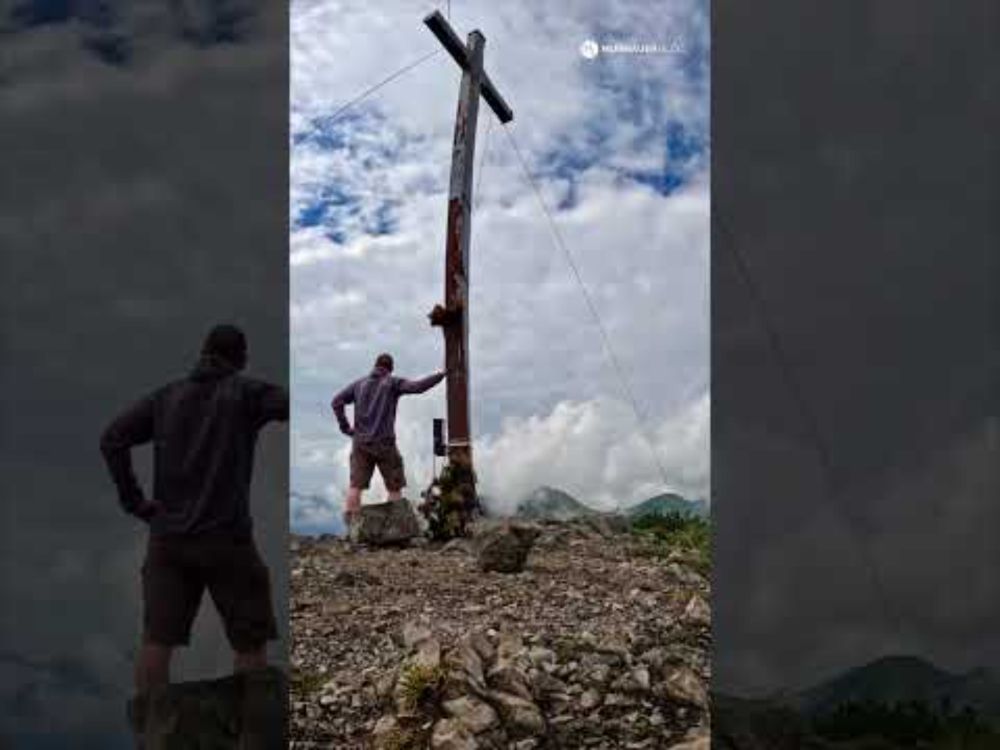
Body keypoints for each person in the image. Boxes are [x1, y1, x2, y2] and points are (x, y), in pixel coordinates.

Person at [99, 324, 288, 698]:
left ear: (203, 353)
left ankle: (153, 735)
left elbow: (112, 439)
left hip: (167, 541)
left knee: (157, 643)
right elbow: (292, 403)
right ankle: (249, 731)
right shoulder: (247, 393)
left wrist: (134, 502)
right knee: (249, 643)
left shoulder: (165, 398)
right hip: (227, 540)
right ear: (241, 360)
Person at [332, 353, 445, 525]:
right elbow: (418, 387)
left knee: (355, 486)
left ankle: (352, 531)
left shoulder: (359, 384)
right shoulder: (392, 382)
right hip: (385, 444)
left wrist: (346, 428)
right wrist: (440, 375)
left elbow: (336, 401)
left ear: (375, 366)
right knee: (394, 486)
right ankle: (395, 528)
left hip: (360, 444)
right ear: (390, 369)